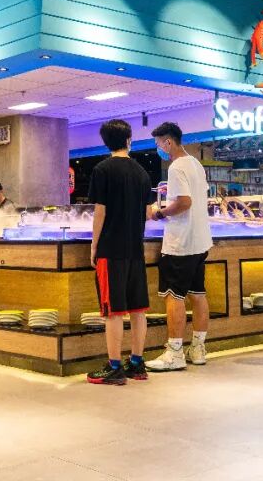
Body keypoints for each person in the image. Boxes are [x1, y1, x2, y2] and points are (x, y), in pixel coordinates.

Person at [86, 119, 153, 385]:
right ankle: (136, 363)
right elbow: (148, 212)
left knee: (112, 311)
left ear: (106, 143)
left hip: (111, 249)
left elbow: (99, 212)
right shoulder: (142, 172)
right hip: (136, 249)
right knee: (138, 309)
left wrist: (94, 245)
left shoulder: (102, 169)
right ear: (128, 140)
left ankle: (114, 367)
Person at [145, 122, 212, 372]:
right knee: (198, 294)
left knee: (174, 295)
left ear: (168, 142)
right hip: (200, 240)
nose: (159, 149)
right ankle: (198, 349)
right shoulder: (195, 164)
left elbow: (184, 202)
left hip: (181, 243)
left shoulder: (175, 167)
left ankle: (174, 353)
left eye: (158, 144)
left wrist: (159, 213)